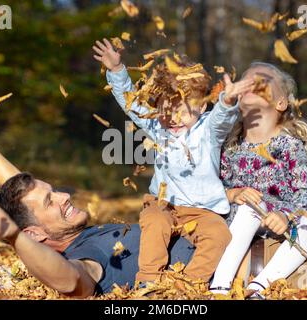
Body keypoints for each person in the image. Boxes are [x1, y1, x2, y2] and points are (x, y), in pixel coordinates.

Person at [0, 109, 195, 297]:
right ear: (33, 234)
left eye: (55, 191)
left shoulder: (69, 231)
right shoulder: (86, 255)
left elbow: (24, 199)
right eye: (51, 201)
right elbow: (72, 282)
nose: (64, 196)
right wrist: (14, 237)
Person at [92, 38, 255, 285]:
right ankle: (148, 281)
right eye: (166, 111)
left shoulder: (208, 130)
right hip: (164, 204)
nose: (173, 119)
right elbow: (132, 105)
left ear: (201, 106)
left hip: (203, 211)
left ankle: (189, 284)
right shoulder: (159, 128)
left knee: (219, 234)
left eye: (182, 111)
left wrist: (228, 102)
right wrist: (116, 71)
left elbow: (222, 119)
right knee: (154, 221)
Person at [210, 62, 307, 298]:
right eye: (246, 80)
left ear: (281, 102)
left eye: (262, 80)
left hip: (278, 219)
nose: (251, 83)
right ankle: (219, 287)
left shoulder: (290, 145)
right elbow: (210, 188)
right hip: (238, 217)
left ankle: (260, 287)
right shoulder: (230, 146)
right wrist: (231, 194)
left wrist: (287, 216)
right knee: (252, 205)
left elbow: (304, 194)